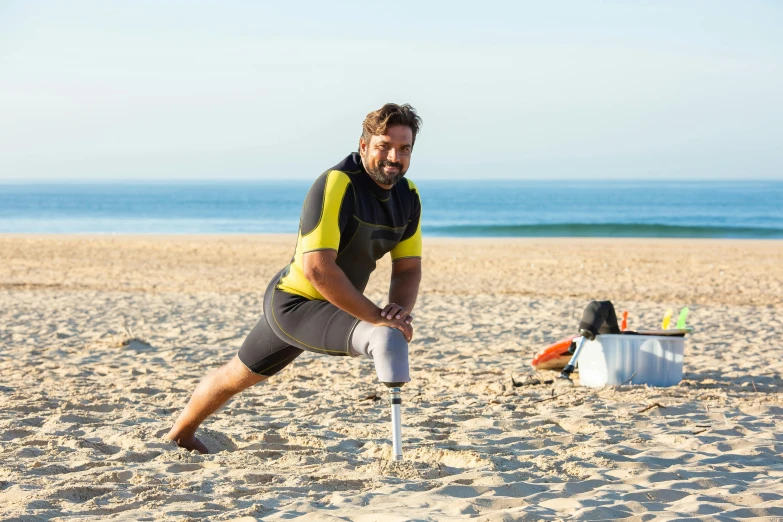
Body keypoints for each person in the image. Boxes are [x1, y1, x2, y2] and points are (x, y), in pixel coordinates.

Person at [167, 103, 423, 453]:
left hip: (335, 305)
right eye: (384, 145)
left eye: (404, 148)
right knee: (386, 340)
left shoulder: (408, 197)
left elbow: (408, 267)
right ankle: (180, 436)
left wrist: (397, 311)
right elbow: (318, 268)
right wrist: (377, 318)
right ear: (363, 146)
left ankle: (178, 436)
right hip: (295, 303)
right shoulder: (338, 183)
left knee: (235, 375)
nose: (394, 156)